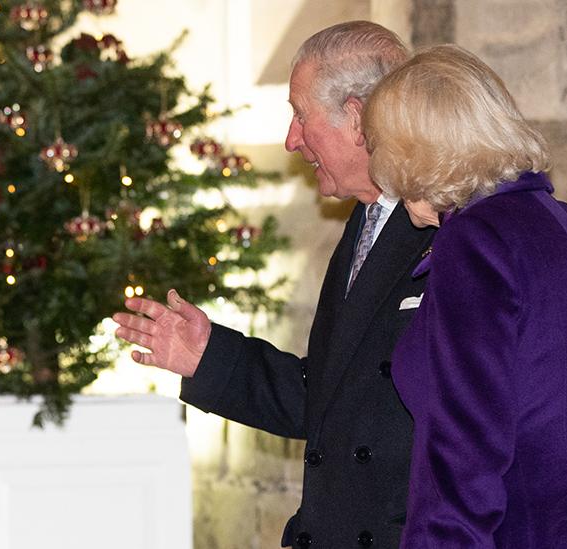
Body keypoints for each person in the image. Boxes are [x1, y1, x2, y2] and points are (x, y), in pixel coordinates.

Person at [113, 21, 435, 548]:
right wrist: (209, 357)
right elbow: (333, 399)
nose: (291, 139)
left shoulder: (442, 225)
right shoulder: (366, 219)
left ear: (356, 119)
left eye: (300, 115)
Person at [363, 45, 567, 548]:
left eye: (376, 144)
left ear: (411, 151)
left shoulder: (477, 239)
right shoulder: (566, 221)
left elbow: (464, 444)